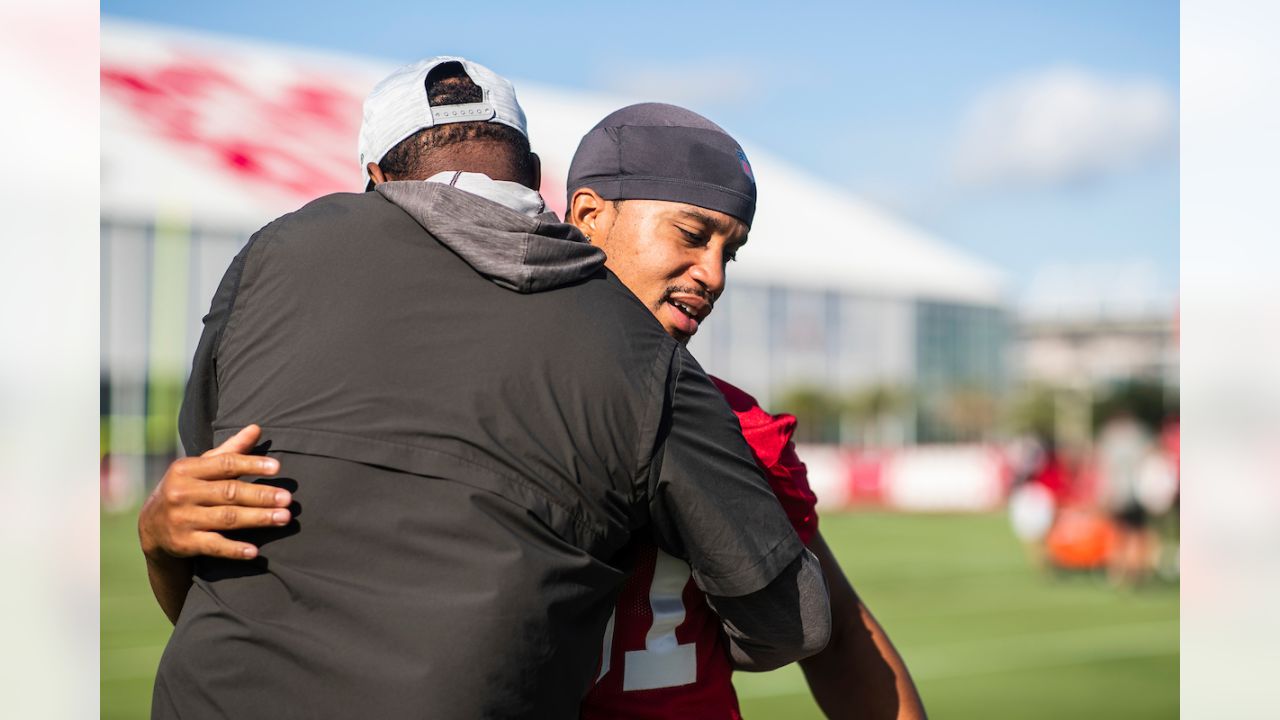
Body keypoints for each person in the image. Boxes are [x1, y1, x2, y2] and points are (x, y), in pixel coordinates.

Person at [146, 95, 923, 717]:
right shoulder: (434, 383)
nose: (713, 273)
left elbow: (837, 640)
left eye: (731, 249)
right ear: (586, 215)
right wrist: (163, 536)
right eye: (692, 234)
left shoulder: (730, 420)